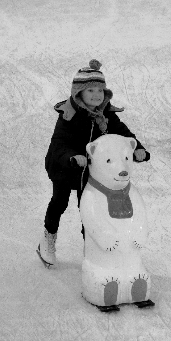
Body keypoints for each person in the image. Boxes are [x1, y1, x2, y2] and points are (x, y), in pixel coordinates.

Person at [38, 60, 150, 267]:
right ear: (79, 92)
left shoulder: (106, 114)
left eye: (100, 90)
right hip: (64, 167)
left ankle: (91, 249)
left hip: (90, 172)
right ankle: (48, 236)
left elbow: (123, 134)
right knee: (59, 203)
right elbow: (59, 143)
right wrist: (73, 157)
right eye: (90, 90)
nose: (96, 95)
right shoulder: (68, 115)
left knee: (90, 210)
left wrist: (138, 149)